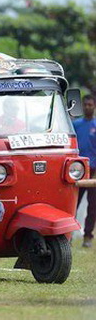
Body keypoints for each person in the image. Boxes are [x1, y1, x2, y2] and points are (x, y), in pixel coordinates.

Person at [73, 94, 96, 248]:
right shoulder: (75, 125)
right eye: (85, 104)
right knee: (72, 205)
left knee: (92, 206)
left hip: (94, 172)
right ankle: (66, 236)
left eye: (90, 104)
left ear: (94, 106)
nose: (88, 107)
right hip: (77, 171)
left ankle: (88, 236)